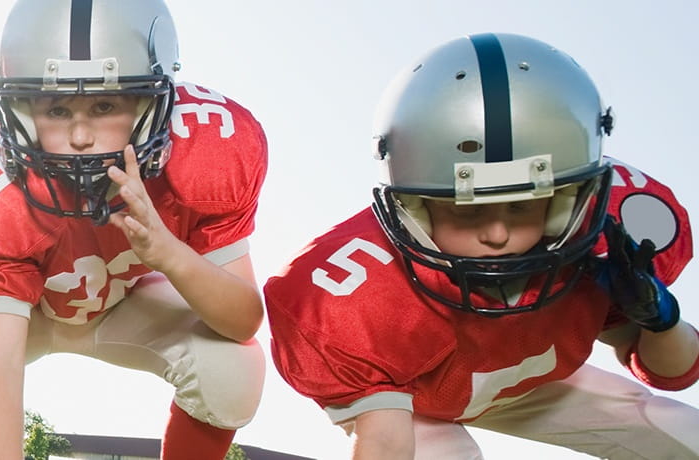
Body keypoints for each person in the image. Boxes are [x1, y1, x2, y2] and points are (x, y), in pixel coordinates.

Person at [263, 33, 699, 459]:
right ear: (415, 207)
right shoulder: (352, 295)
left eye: (522, 208)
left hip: (536, 383)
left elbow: (673, 373)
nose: (496, 234)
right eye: (468, 212)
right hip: (413, 399)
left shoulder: (610, 234)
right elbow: (386, 444)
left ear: (566, 204)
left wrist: (661, 319)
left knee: (684, 434)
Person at [0, 1, 269, 458]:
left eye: (104, 104)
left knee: (233, 366)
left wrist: (169, 254)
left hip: (131, 303)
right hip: (31, 313)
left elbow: (243, 320)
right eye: (55, 109)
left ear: (151, 103)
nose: (79, 135)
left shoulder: (205, 152)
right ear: (19, 108)